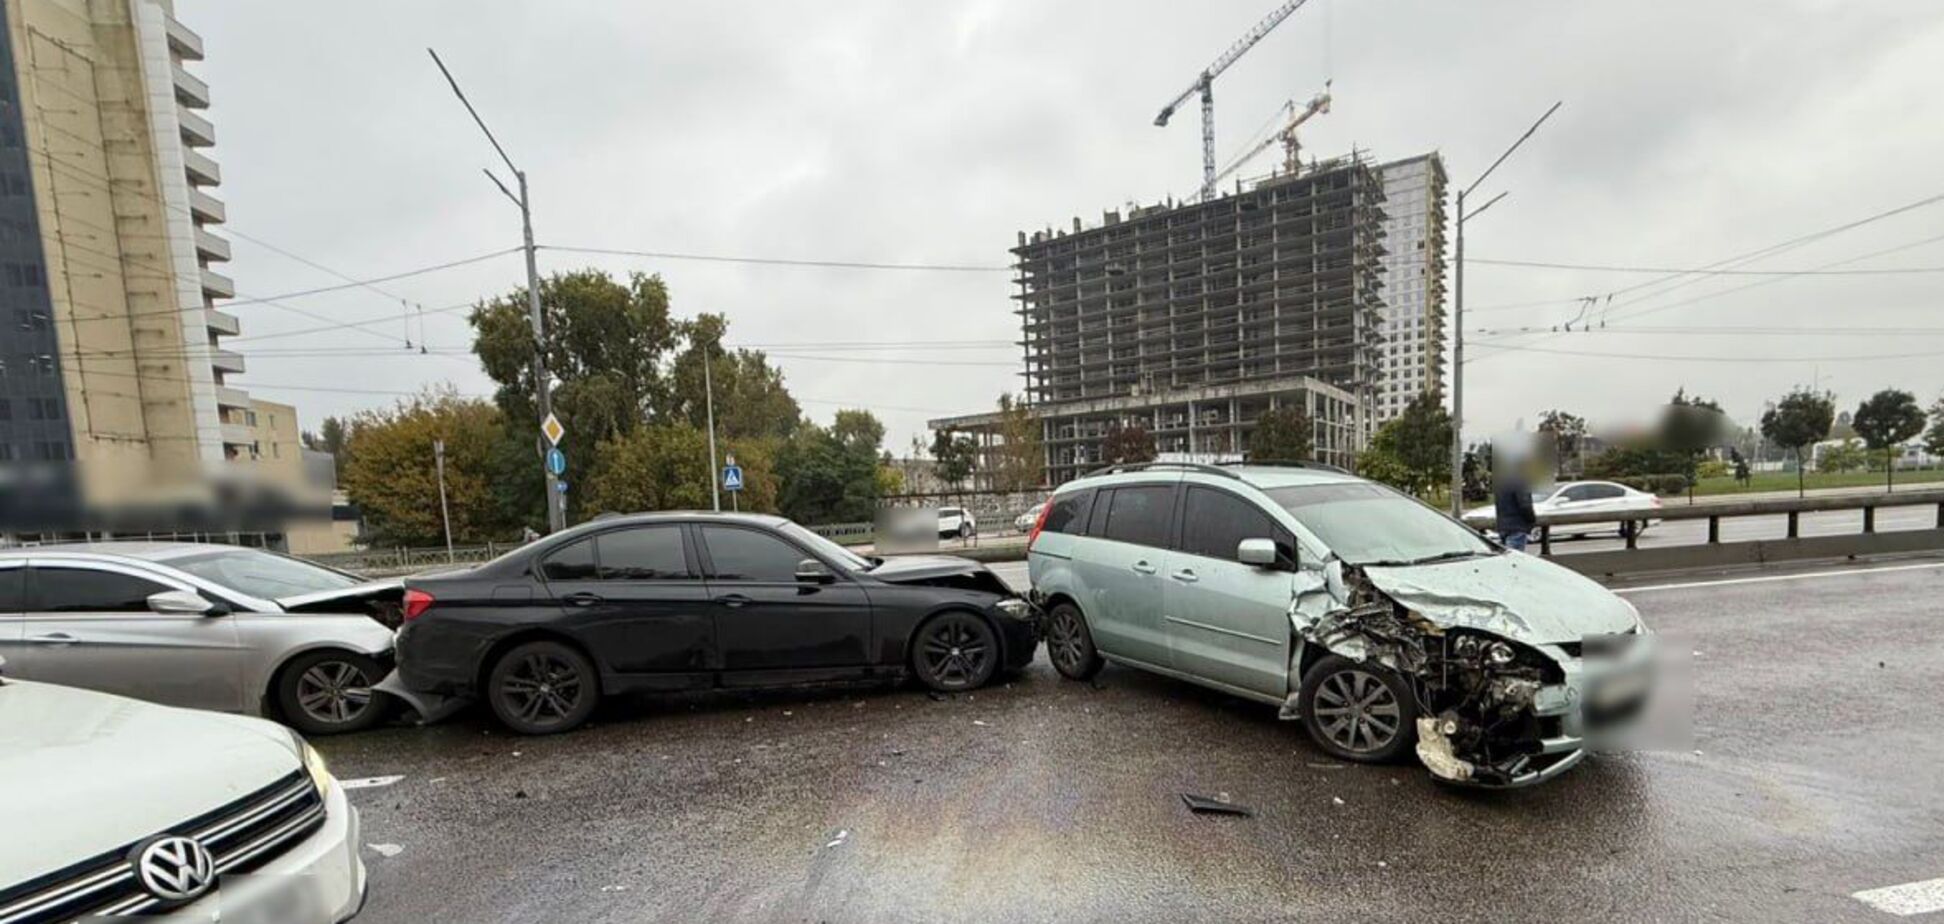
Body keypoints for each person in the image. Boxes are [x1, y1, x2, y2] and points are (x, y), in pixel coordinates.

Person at [1494, 467, 1539, 552]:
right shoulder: (1521, 482)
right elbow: (1525, 505)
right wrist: (1532, 520)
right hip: (1517, 526)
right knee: (1515, 558)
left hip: (1503, 526)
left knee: (1507, 556)